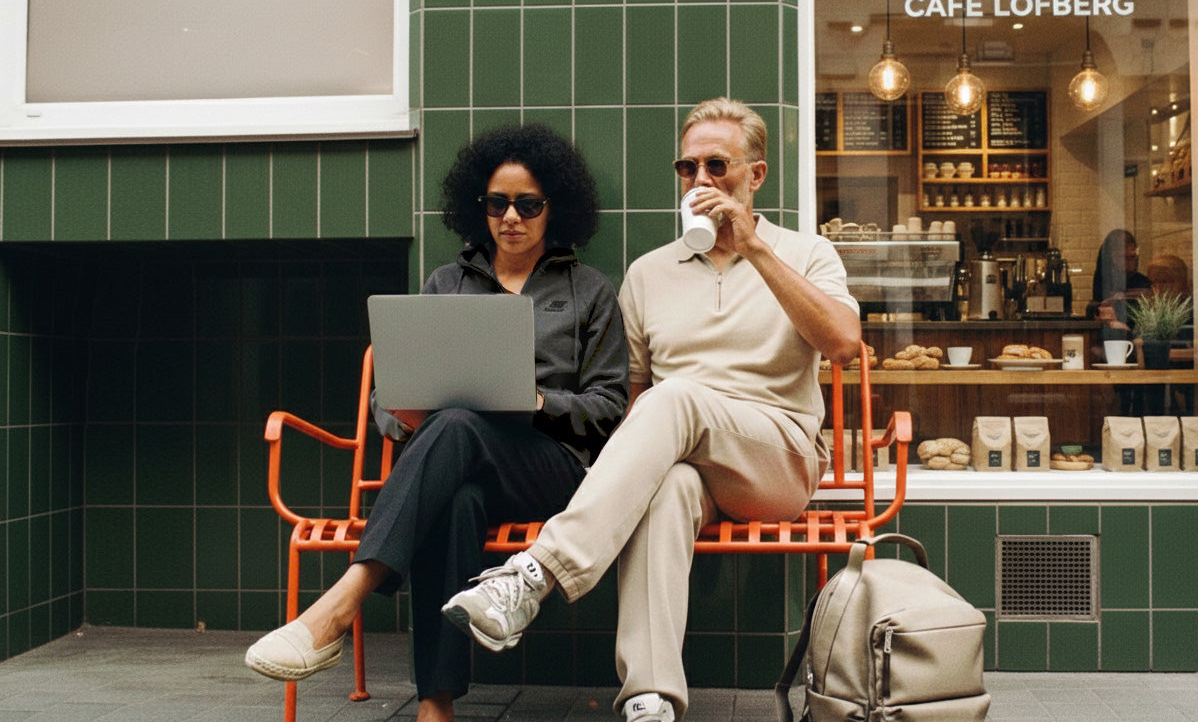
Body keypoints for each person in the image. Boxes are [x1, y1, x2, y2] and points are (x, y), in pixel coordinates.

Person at [442, 98, 863, 722]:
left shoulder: (804, 255)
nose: (701, 181)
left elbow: (844, 344)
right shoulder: (647, 275)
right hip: (688, 452)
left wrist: (754, 249)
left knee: (678, 395)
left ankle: (535, 575)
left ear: (757, 175)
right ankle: (651, 697)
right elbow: (633, 400)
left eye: (717, 165)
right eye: (687, 168)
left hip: (777, 456)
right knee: (666, 487)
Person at [244, 123, 630, 722]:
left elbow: (610, 407)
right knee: (454, 494)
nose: (511, 217)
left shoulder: (590, 292)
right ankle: (435, 705)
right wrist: (397, 413)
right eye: (497, 203)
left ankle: (341, 605)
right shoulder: (447, 284)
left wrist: (539, 403)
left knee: (452, 427)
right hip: (460, 460)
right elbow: (387, 400)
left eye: (528, 204)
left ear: (555, 209)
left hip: (552, 470)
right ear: (480, 207)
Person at [1089, 228, 1151, 330]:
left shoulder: (1143, 282)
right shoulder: (1106, 281)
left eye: (1133, 256)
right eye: (1123, 257)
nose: (1131, 260)